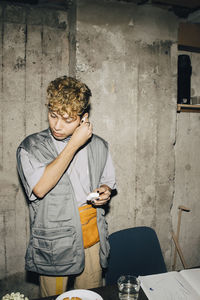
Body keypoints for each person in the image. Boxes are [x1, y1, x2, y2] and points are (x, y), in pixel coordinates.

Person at [16, 76, 116, 297]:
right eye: (53, 116)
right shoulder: (31, 147)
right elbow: (40, 188)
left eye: (68, 119)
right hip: (54, 242)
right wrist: (74, 144)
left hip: (91, 237)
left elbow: (107, 181)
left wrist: (105, 191)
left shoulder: (99, 145)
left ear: (83, 118)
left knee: (91, 295)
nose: (57, 126)